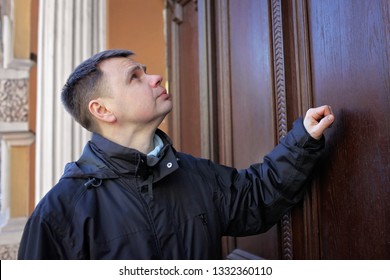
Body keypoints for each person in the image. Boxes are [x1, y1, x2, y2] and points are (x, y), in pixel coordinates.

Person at [18, 49, 335, 260]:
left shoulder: (193, 174)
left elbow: (257, 197)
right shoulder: (58, 214)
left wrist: (303, 139)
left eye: (146, 71)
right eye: (135, 77)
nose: (154, 78)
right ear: (102, 109)